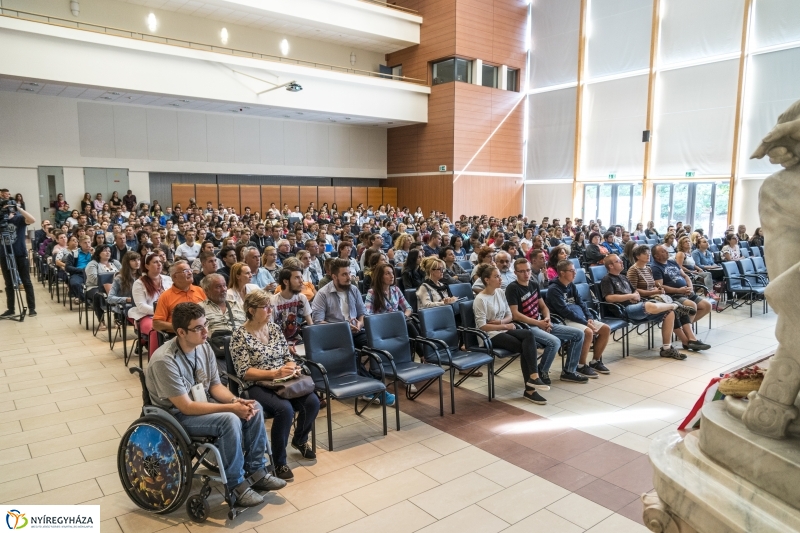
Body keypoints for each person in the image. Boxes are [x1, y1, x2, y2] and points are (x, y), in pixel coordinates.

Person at [145, 303, 285, 506]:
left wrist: (237, 401)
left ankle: (256, 471)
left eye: (206, 324)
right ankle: (237, 486)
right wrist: (230, 408)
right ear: (181, 332)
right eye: (198, 328)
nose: (206, 331)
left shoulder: (203, 347)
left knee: (253, 407)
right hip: (175, 416)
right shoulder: (164, 361)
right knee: (229, 419)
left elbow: (215, 387)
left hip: (201, 404)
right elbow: (186, 407)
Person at [230, 290, 320, 482]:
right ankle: (279, 461)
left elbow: (288, 357)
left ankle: (300, 439)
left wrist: (291, 368)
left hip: (283, 380)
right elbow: (243, 371)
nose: (270, 310)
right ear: (251, 310)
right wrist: (274, 373)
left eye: (271, 306)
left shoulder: (275, 329)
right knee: (284, 410)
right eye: (266, 307)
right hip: (257, 383)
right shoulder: (239, 336)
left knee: (312, 402)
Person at [506, 258, 587, 392]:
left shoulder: (533, 284)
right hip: (526, 327)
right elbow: (515, 315)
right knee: (554, 342)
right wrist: (539, 323)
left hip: (540, 323)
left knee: (578, 334)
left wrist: (547, 319)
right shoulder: (512, 288)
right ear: (515, 273)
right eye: (522, 271)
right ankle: (542, 371)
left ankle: (569, 371)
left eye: (528, 270)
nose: (526, 274)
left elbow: (543, 307)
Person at [474, 264, 548, 404]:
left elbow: (510, 315)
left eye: (500, 276)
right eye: (496, 277)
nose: (500, 279)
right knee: (524, 347)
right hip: (489, 336)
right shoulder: (480, 299)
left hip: (503, 328)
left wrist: (502, 323)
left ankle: (533, 377)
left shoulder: (501, 293)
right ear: (486, 280)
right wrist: (505, 325)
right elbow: (483, 326)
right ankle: (530, 389)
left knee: (528, 334)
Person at [600, 254, 695, 360]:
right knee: (650, 305)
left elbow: (635, 290)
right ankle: (676, 306)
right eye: (618, 261)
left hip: (637, 306)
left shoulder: (623, 277)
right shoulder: (607, 279)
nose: (622, 262)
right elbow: (609, 298)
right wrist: (631, 296)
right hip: (624, 310)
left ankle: (666, 348)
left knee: (669, 313)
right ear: (611, 266)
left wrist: (636, 295)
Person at [545, 260, 611, 379]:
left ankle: (595, 361)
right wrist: (586, 323)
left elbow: (582, 303)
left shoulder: (571, 285)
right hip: (564, 320)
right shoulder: (554, 289)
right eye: (572, 271)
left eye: (575, 270)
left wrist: (589, 317)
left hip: (580, 318)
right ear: (562, 273)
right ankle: (581, 365)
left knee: (605, 329)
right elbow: (565, 311)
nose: (575, 273)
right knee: (588, 332)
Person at [650, 245, 712, 351]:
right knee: (691, 306)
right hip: (674, 295)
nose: (666, 251)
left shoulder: (672, 262)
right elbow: (660, 287)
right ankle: (689, 337)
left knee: (707, 306)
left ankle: (686, 332)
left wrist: (690, 288)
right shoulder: (656, 267)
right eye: (663, 251)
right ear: (656, 256)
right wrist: (679, 290)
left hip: (686, 291)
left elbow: (685, 276)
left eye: (666, 250)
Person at [0, 188, 36, 317]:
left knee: (26, 281)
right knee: (8, 283)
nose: (7, 208)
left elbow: (32, 220)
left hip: (19, 253)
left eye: (9, 206)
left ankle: (32, 308)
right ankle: (11, 309)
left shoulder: (19, 218)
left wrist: (18, 208)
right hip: (4, 254)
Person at [153, 260, 207, 336]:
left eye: (190, 270)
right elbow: (156, 324)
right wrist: (180, 327)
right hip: (179, 335)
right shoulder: (165, 296)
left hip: (202, 332)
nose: (190, 273)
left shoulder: (200, 290)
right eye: (185, 271)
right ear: (175, 276)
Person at [199, 273, 246, 357]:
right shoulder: (199, 309)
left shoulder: (239, 305)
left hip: (242, 348)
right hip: (214, 350)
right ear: (206, 290)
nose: (223, 289)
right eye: (218, 287)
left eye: (224, 285)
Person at [271, 263, 313, 349]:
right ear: (286, 281)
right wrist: (284, 346)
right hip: (278, 344)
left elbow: (310, 324)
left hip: (297, 340)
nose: (301, 281)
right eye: (297, 278)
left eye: (301, 277)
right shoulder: (273, 301)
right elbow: (270, 331)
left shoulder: (302, 298)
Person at [85, 244, 122, 331]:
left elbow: (123, 275)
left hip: (114, 287)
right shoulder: (93, 264)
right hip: (95, 287)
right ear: (98, 253)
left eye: (109, 251)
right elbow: (94, 279)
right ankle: (101, 320)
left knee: (121, 293)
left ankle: (117, 319)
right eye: (105, 251)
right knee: (98, 295)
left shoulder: (115, 263)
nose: (107, 253)